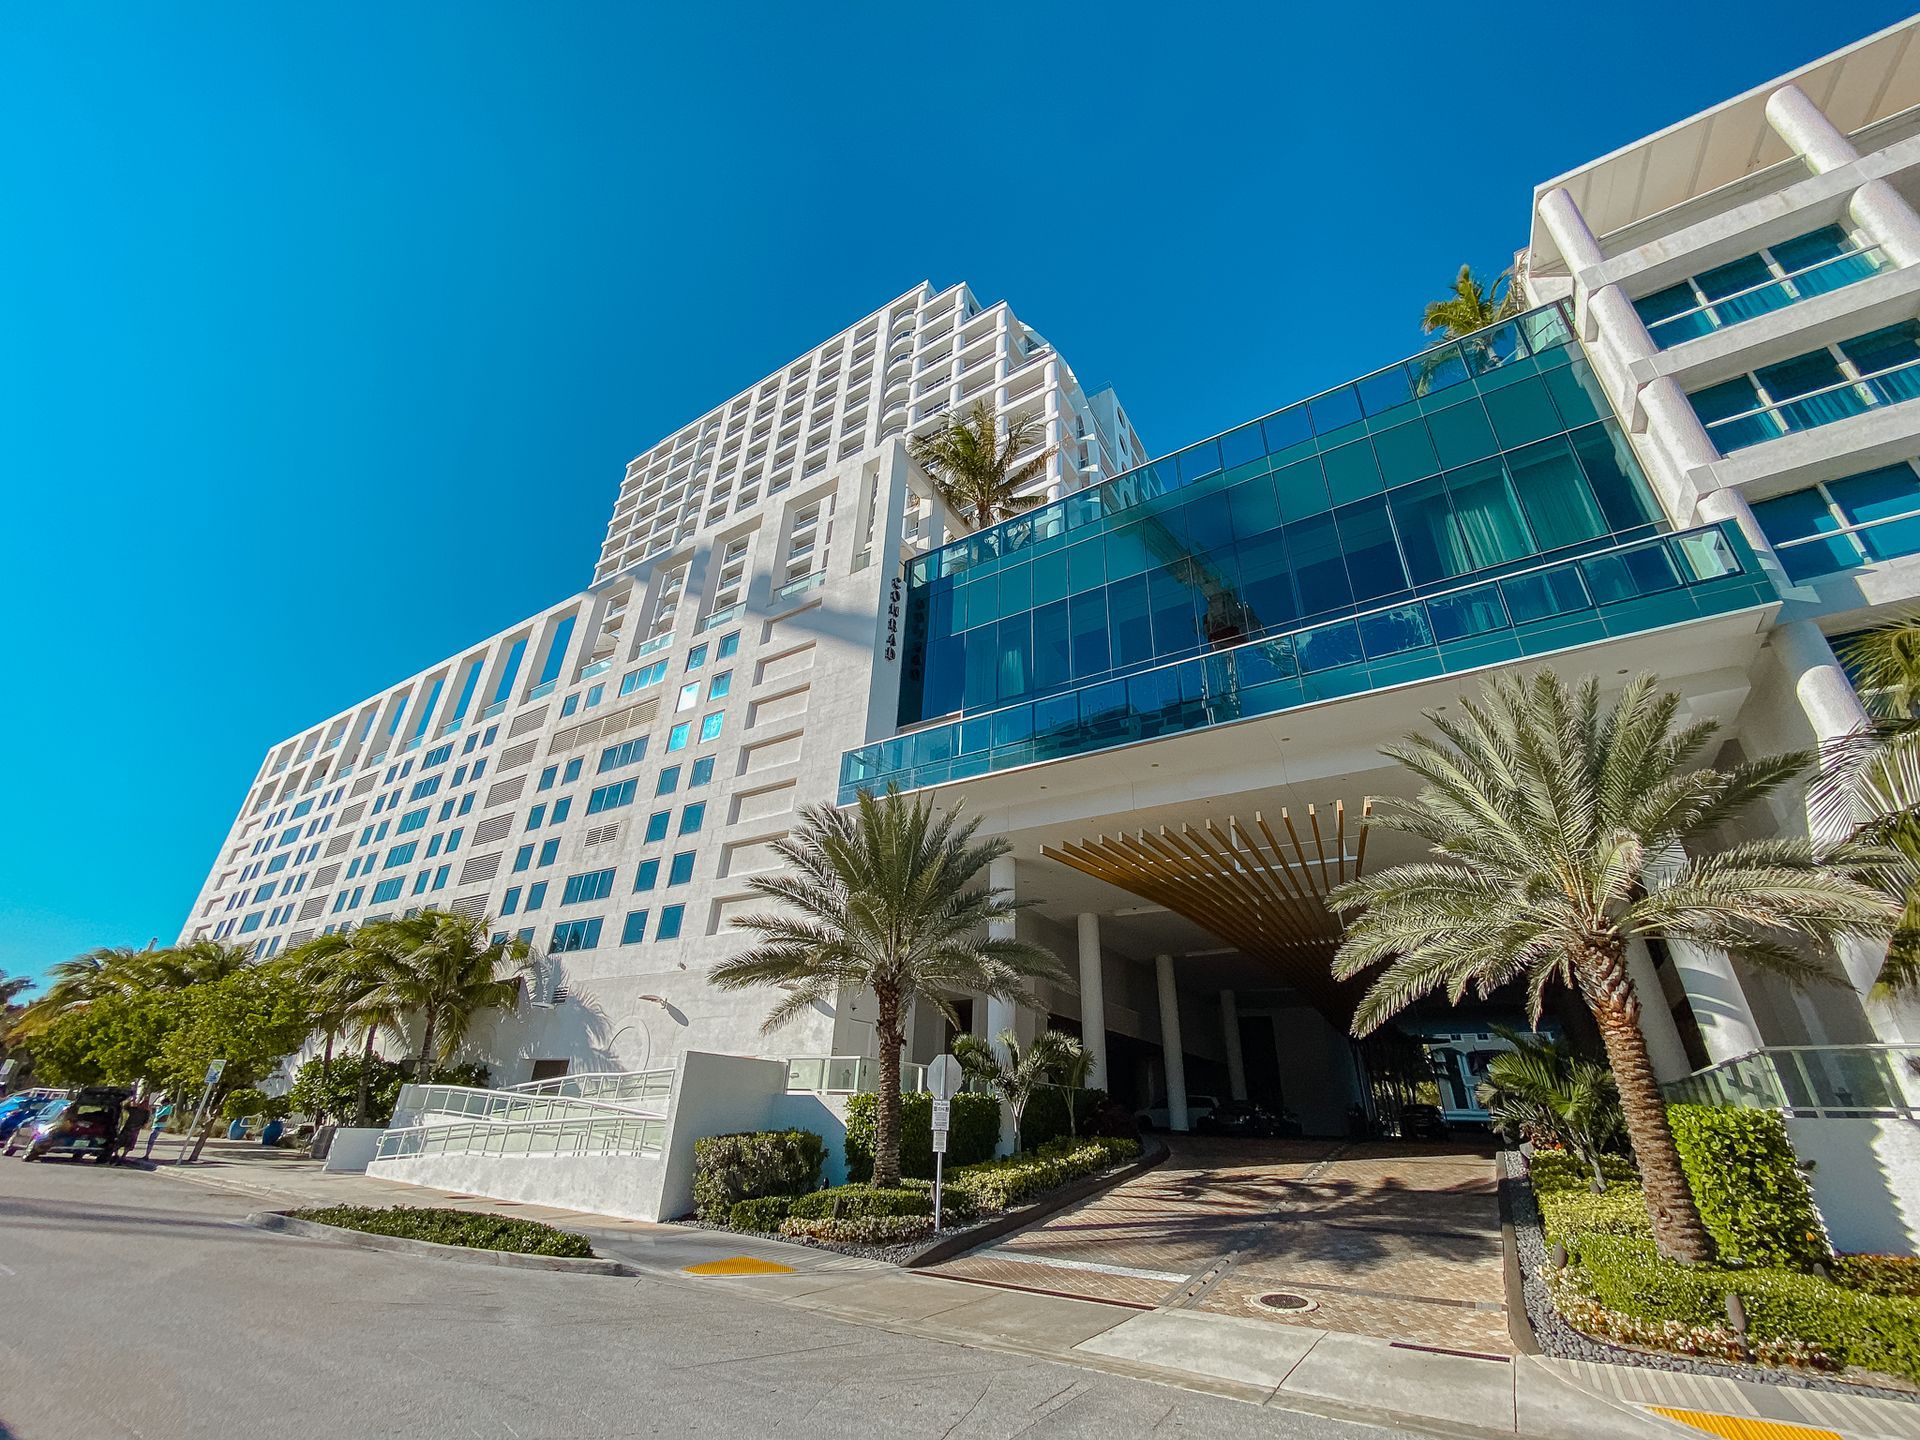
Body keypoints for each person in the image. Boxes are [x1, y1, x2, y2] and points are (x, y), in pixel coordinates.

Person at [114, 1096, 151, 1165]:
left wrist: (138, 1127)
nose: (144, 1105)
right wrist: (130, 1100)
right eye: (143, 1103)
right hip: (127, 1128)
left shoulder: (146, 1113)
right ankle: (116, 1155)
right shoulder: (134, 1109)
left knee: (129, 1144)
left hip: (135, 1130)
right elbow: (125, 1107)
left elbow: (145, 1122)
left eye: (146, 1104)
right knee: (119, 1142)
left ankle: (123, 1156)